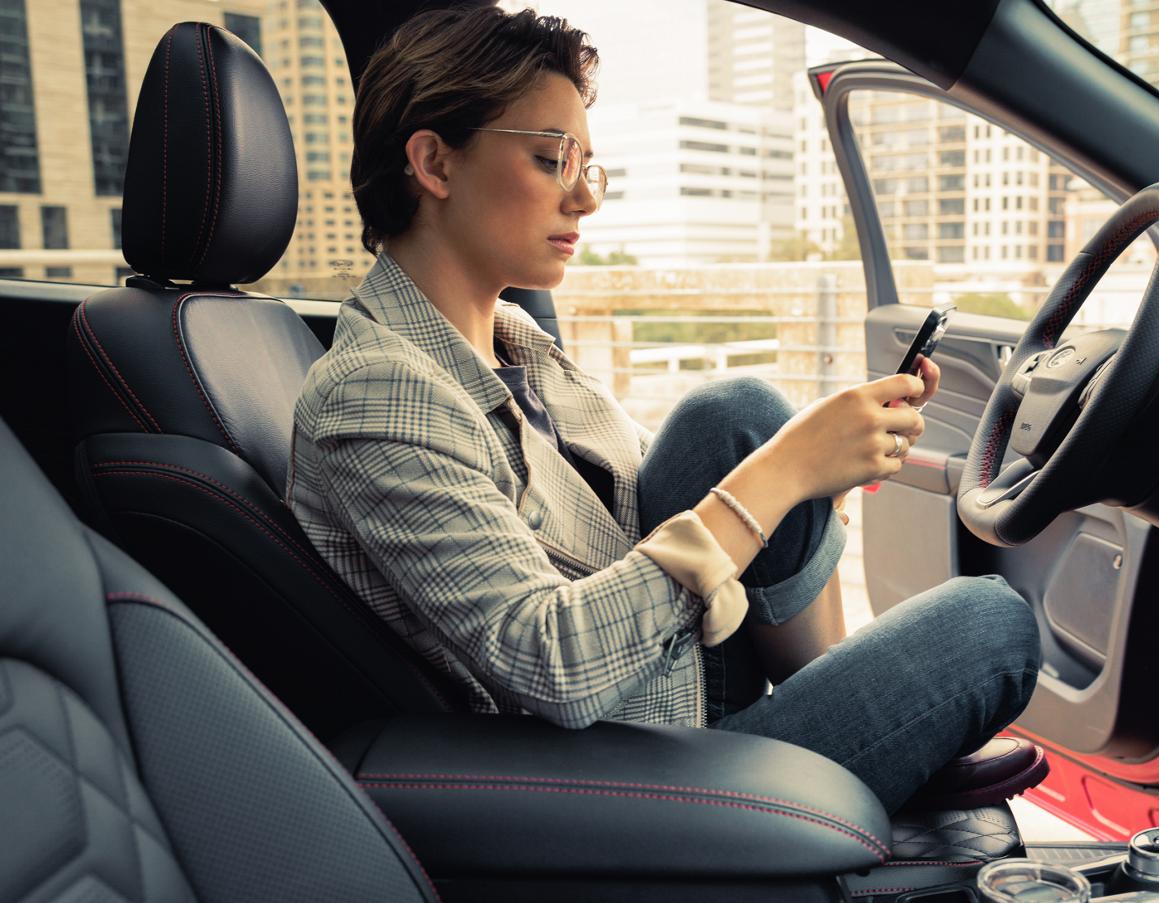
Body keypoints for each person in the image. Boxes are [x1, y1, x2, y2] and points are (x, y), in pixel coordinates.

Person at [287, 5, 1041, 814]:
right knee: (988, 624)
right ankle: (850, 760)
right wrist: (787, 473)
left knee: (738, 412)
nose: (585, 200)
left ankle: (848, 733)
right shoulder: (375, 393)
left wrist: (821, 459)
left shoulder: (514, 343)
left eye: (588, 167)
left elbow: (688, 491)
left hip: (666, 679)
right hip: (616, 771)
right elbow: (552, 664)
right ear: (434, 163)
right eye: (551, 160)